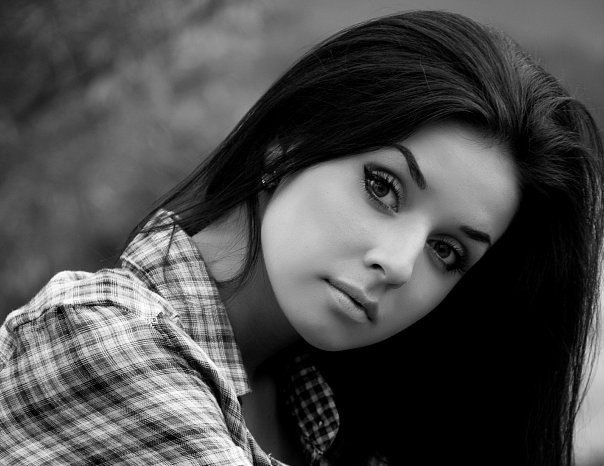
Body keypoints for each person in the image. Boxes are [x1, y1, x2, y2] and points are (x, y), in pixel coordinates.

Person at [1, 10, 602, 466]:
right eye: (383, 187)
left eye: (446, 251)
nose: (398, 265)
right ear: (286, 144)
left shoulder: (323, 412)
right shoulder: (104, 342)